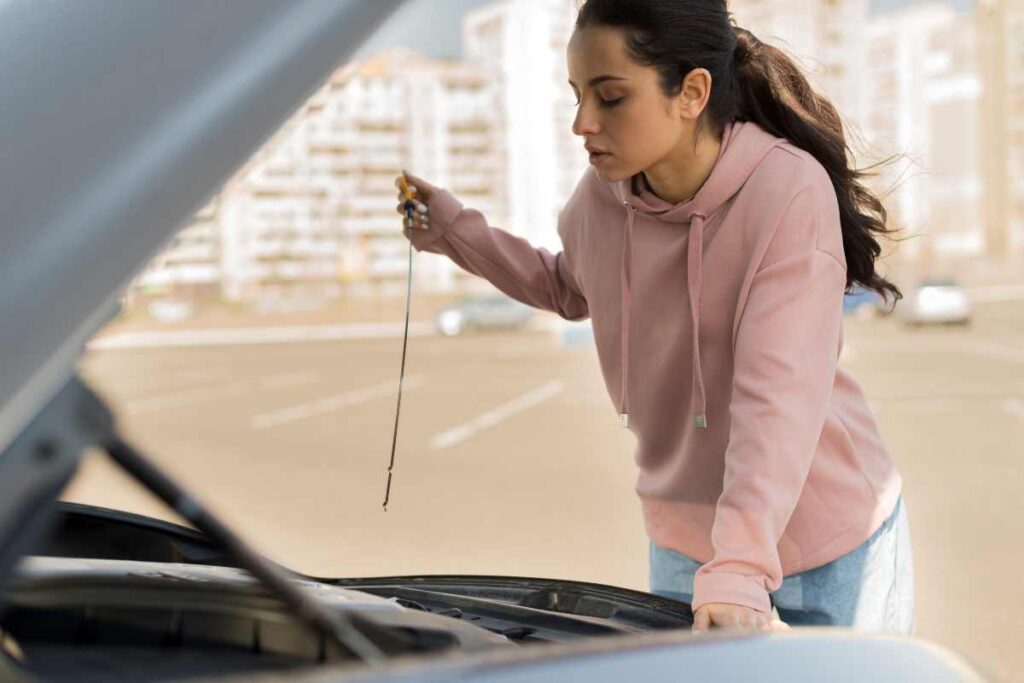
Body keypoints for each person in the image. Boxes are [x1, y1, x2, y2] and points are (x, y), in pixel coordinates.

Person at [394, 0, 913, 634]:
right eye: (577, 95)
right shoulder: (602, 200)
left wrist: (743, 566)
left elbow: (778, 391)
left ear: (692, 92)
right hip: (689, 543)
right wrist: (452, 230)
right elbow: (568, 286)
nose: (582, 122)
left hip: (827, 538)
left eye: (610, 97)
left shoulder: (786, 190)